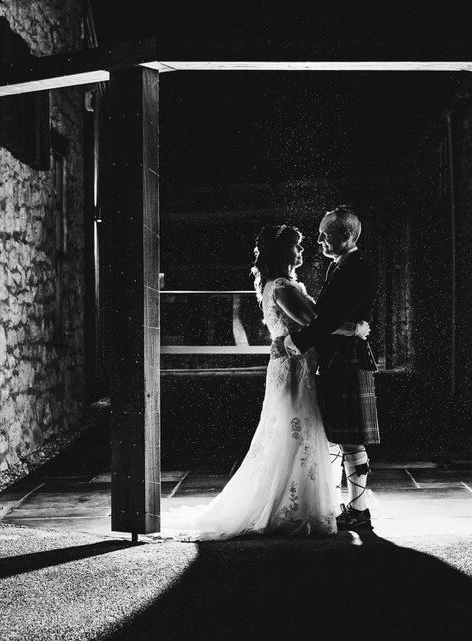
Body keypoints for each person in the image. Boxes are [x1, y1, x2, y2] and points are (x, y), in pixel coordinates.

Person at [157, 223, 369, 541]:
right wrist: (356, 330)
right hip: (295, 370)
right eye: (296, 247)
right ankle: (294, 507)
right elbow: (316, 323)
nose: (301, 251)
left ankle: (297, 501)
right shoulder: (282, 286)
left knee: (295, 433)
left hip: (293, 365)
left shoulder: (280, 284)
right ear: (284, 251)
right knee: (297, 432)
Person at [278, 206, 380, 530]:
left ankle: (359, 510)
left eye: (326, 233)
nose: (320, 239)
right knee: (337, 436)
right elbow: (333, 320)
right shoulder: (339, 268)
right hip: (338, 360)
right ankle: (344, 505)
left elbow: (330, 320)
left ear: (346, 235)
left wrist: (294, 343)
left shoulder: (357, 270)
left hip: (348, 359)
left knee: (350, 439)